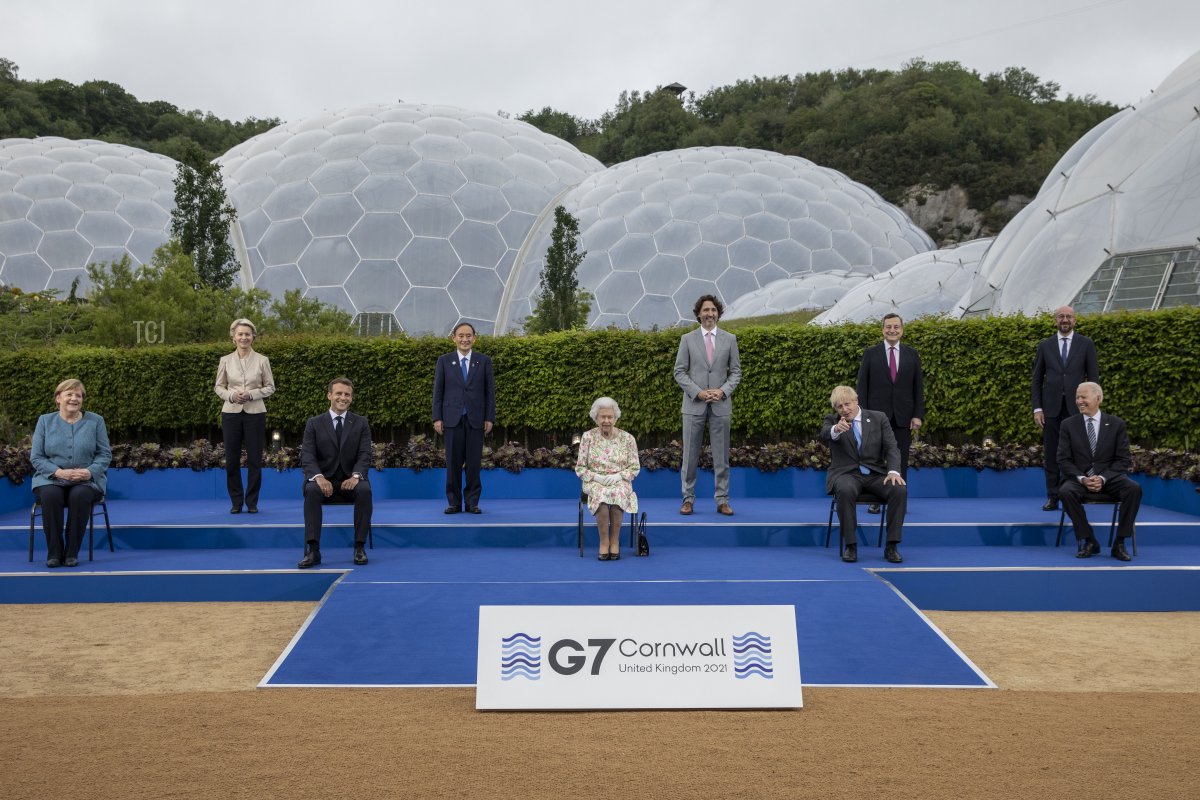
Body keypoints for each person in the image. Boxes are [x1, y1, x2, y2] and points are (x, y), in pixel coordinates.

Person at [820, 385, 907, 564]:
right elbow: (825, 433)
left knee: (899, 489)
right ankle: (850, 546)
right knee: (844, 489)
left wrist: (893, 471)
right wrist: (836, 429)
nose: (844, 409)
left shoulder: (878, 418)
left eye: (847, 404)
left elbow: (891, 447)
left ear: (856, 401)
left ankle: (892, 546)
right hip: (847, 474)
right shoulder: (833, 420)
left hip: (875, 474)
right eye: (839, 406)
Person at [30, 379, 111, 568]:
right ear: (58, 398)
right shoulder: (44, 420)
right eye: (69, 394)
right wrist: (59, 472)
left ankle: (71, 552)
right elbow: (37, 457)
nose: (74, 398)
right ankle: (54, 553)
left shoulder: (96, 421)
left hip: (86, 481)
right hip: (51, 478)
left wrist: (89, 472)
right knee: (50, 495)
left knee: (80, 495)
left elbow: (104, 454)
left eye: (78, 395)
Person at [673, 294, 741, 516]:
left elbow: (736, 372)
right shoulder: (687, 339)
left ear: (718, 313)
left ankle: (722, 500)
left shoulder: (730, 339)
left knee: (721, 457)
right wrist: (698, 392)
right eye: (705, 310)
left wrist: (722, 391)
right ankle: (687, 499)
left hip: (721, 405)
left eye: (713, 310)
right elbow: (679, 372)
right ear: (698, 314)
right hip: (693, 406)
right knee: (690, 456)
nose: (709, 314)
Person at [1057, 382, 1141, 561]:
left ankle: (1119, 543)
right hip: (1079, 479)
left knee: (1133, 489)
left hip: (1109, 478)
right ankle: (1089, 540)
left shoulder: (1117, 424)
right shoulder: (1068, 425)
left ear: (1098, 399)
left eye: (1083, 397)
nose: (1079, 401)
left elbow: (1123, 460)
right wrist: (1082, 479)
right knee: (1065, 491)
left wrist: (1102, 478)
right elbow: (1063, 460)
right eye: (1077, 397)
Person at [298, 377, 373, 568]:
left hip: (350, 480)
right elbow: (307, 455)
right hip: (323, 480)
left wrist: (356, 476)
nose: (343, 397)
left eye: (347, 394)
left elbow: (365, 454)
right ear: (329, 395)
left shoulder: (361, 423)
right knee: (312, 490)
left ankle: (359, 547)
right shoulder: (314, 423)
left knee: (364, 490)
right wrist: (319, 477)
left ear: (352, 398)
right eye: (338, 393)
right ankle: (313, 550)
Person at [856, 312, 924, 513]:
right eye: (888, 327)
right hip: (875, 417)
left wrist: (917, 414)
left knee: (900, 459)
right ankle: (876, 500)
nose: (892, 330)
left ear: (902, 330)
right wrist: (862, 415)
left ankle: (898, 500)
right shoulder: (871, 353)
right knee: (875, 459)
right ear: (882, 330)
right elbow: (862, 387)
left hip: (903, 417)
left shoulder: (912, 354)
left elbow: (917, 387)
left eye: (896, 327)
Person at [1032, 305, 1098, 511]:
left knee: (1078, 455)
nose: (1065, 320)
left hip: (1077, 409)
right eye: (1061, 316)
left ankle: (1073, 495)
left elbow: (1093, 380)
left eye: (1069, 316)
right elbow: (1036, 380)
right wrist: (1037, 408)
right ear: (1055, 320)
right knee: (1051, 455)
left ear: (1075, 321)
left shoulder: (1086, 344)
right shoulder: (1045, 345)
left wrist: (1091, 407)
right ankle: (1053, 497)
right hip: (1051, 410)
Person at [432, 321, 495, 514]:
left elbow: (489, 393)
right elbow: (438, 391)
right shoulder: (444, 360)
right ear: (454, 338)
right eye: (461, 335)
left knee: (474, 464)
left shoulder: (484, 361)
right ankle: (454, 503)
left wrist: (489, 418)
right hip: (451, 419)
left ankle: (472, 502)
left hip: (476, 419)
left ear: (474, 338)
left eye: (468, 336)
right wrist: (437, 418)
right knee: (452, 463)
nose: (465, 339)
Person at [214, 318, 275, 514]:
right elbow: (218, 387)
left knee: (255, 460)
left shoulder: (262, 360)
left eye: (247, 334)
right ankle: (236, 502)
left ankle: (252, 503)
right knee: (231, 460)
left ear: (253, 337)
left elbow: (270, 387)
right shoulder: (225, 360)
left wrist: (251, 394)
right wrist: (231, 395)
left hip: (255, 414)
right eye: (240, 334)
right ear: (233, 338)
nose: (244, 337)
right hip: (230, 414)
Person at [574, 397, 640, 561]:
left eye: (610, 417)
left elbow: (635, 467)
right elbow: (580, 468)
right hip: (595, 481)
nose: (606, 420)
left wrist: (619, 476)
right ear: (596, 418)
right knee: (602, 496)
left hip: (620, 480)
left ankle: (614, 540)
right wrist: (596, 477)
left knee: (617, 494)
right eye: (602, 417)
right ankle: (604, 542)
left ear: (616, 418)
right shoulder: (587, 437)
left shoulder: (628, 439)